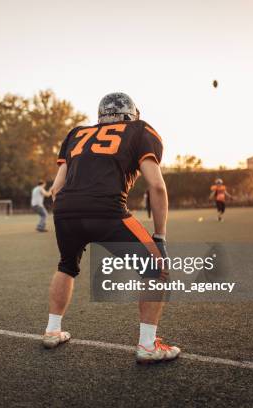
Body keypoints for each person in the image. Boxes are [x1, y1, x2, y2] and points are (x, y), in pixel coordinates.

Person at [43, 92, 180, 363]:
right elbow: (157, 186)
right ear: (131, 114)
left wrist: (68, 214)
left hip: (66, 211)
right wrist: (160, 234)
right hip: (107, 210)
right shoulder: (139, 130)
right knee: (157, 268)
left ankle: (52, 330)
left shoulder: (77, 133)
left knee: (66, 265)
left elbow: (57, 188)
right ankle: (148, 345)